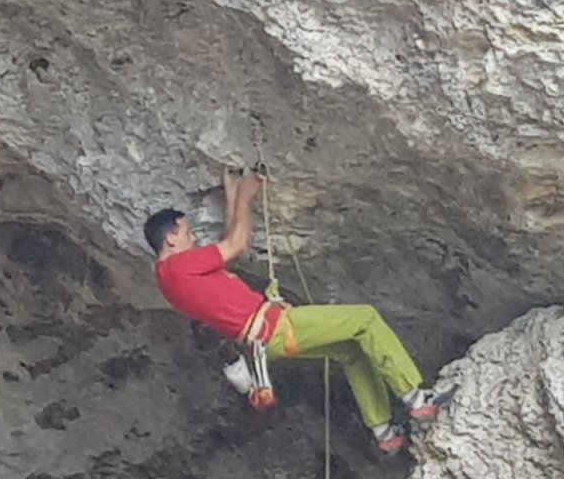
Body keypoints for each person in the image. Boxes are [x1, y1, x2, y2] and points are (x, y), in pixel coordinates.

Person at [143, 170, 445, 455]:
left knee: (351, 350)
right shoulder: (177, 265)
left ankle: (384, 432)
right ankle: (416, 397)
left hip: (262, 343)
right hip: (276, 326)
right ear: (171, 239)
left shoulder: (168, 281)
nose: (194, 238)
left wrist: (234, 195)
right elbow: (236, 245)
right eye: (187, 232)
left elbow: (227, 251)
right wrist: (247, 195)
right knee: (365, 319)